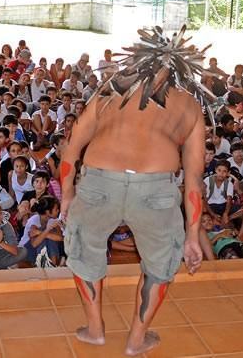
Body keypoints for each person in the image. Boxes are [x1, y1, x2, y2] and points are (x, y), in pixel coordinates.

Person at [60, 26, 205, 356]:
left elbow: (71, 151)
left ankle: (95, 331)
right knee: (159, 267)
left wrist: (67, 195)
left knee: (85, 254)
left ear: (137, 62)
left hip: (99, 182)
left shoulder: (110, 93)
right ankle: (136, 340)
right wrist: (192, 235)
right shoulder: (189, 105)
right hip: (155, 191)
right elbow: (194, 180)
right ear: (181, 69)